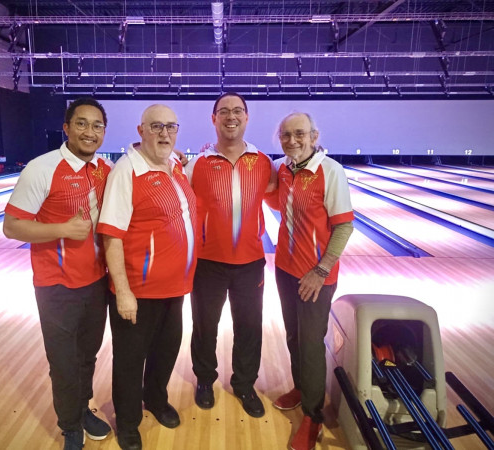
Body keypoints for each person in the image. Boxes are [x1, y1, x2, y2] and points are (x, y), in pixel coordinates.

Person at [2, 97, 113, 450]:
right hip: (57, 286)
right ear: (66, 128)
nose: (89, 131)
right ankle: (70, 427)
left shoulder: (105, 169)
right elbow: (11, 226)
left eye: (97, 125)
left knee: (87, 356)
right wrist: (62, 229)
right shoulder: (42, 168)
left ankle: (82, 409)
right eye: (81, 123)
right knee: (64, 362)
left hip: (97, 281)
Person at [96, 104, 197, 450]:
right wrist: (123, 292)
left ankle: (155, 398)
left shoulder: (175, 167)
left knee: (166, 351)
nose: (164, 133)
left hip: (175, 288)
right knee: (129, 361)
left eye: (171, 126)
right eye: (156, 127)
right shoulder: (127, 171)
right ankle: (127, 422)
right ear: (141, 131)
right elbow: (111, 236)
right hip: (138, 291)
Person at [266, 112, 354, 450]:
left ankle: (313, 415)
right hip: (285, 270)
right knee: (294, 336)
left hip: (315, 275)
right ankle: (303, 388)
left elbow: (344, 226)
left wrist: (321, 271)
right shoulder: (283, 168)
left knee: (311, 343)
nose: (292, 140)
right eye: (285, 135)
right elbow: (263, 186)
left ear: (314, 136)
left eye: (299, 133)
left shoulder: (330, 171)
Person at [186, 92, 275, 418]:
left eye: (237, 111)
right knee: (205, 326)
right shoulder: (197, 163)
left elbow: (276, 192)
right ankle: (204, 380)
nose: (231, 116)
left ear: (247, 117)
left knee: (249, 326)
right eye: (223, 111)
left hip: (250, 263)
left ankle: (244, 384)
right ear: (214, 119)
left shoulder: (263, 162)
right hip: (208, 262)